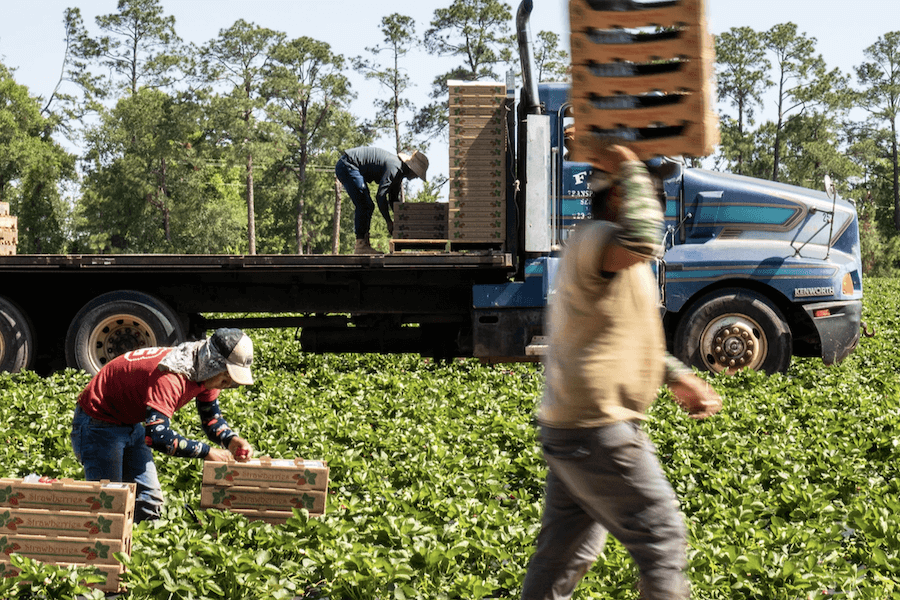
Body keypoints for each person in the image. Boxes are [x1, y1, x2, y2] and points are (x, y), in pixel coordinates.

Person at [520, 145, 722, 600]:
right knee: (662, 537)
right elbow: (646, 237)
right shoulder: (596, 240)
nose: (657, 199)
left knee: (563, 556)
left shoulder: (615, 252)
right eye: (648, 189)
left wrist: (676, 375)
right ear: (617, 194)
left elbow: (625, 331)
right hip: (597, 429)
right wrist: (627, 164)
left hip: (574, 428)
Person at [70, 328, 256, 522]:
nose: (225, 385)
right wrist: (206, 451)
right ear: (212, 364)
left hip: (131, 422)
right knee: (108, 504)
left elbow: (211, 419)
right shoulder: (171, 376)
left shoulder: (205, 374)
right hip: (98, 423)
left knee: (149, 501)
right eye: (225, 378)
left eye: (230, 382)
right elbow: (158, 437)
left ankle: (138, 547)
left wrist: (231, 439)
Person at [335, 146, 429, 254]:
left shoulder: (398, 174)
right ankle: (361, 245)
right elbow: (381, 196)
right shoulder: (394, 168)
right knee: (365, 205)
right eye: (417, 174)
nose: (416, 177)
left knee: (367, 205)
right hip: (348, 165)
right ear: (412, 169)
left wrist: (404, 219)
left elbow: (393, 199)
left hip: (349, 165)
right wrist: (389, 221)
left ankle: (363, 243)